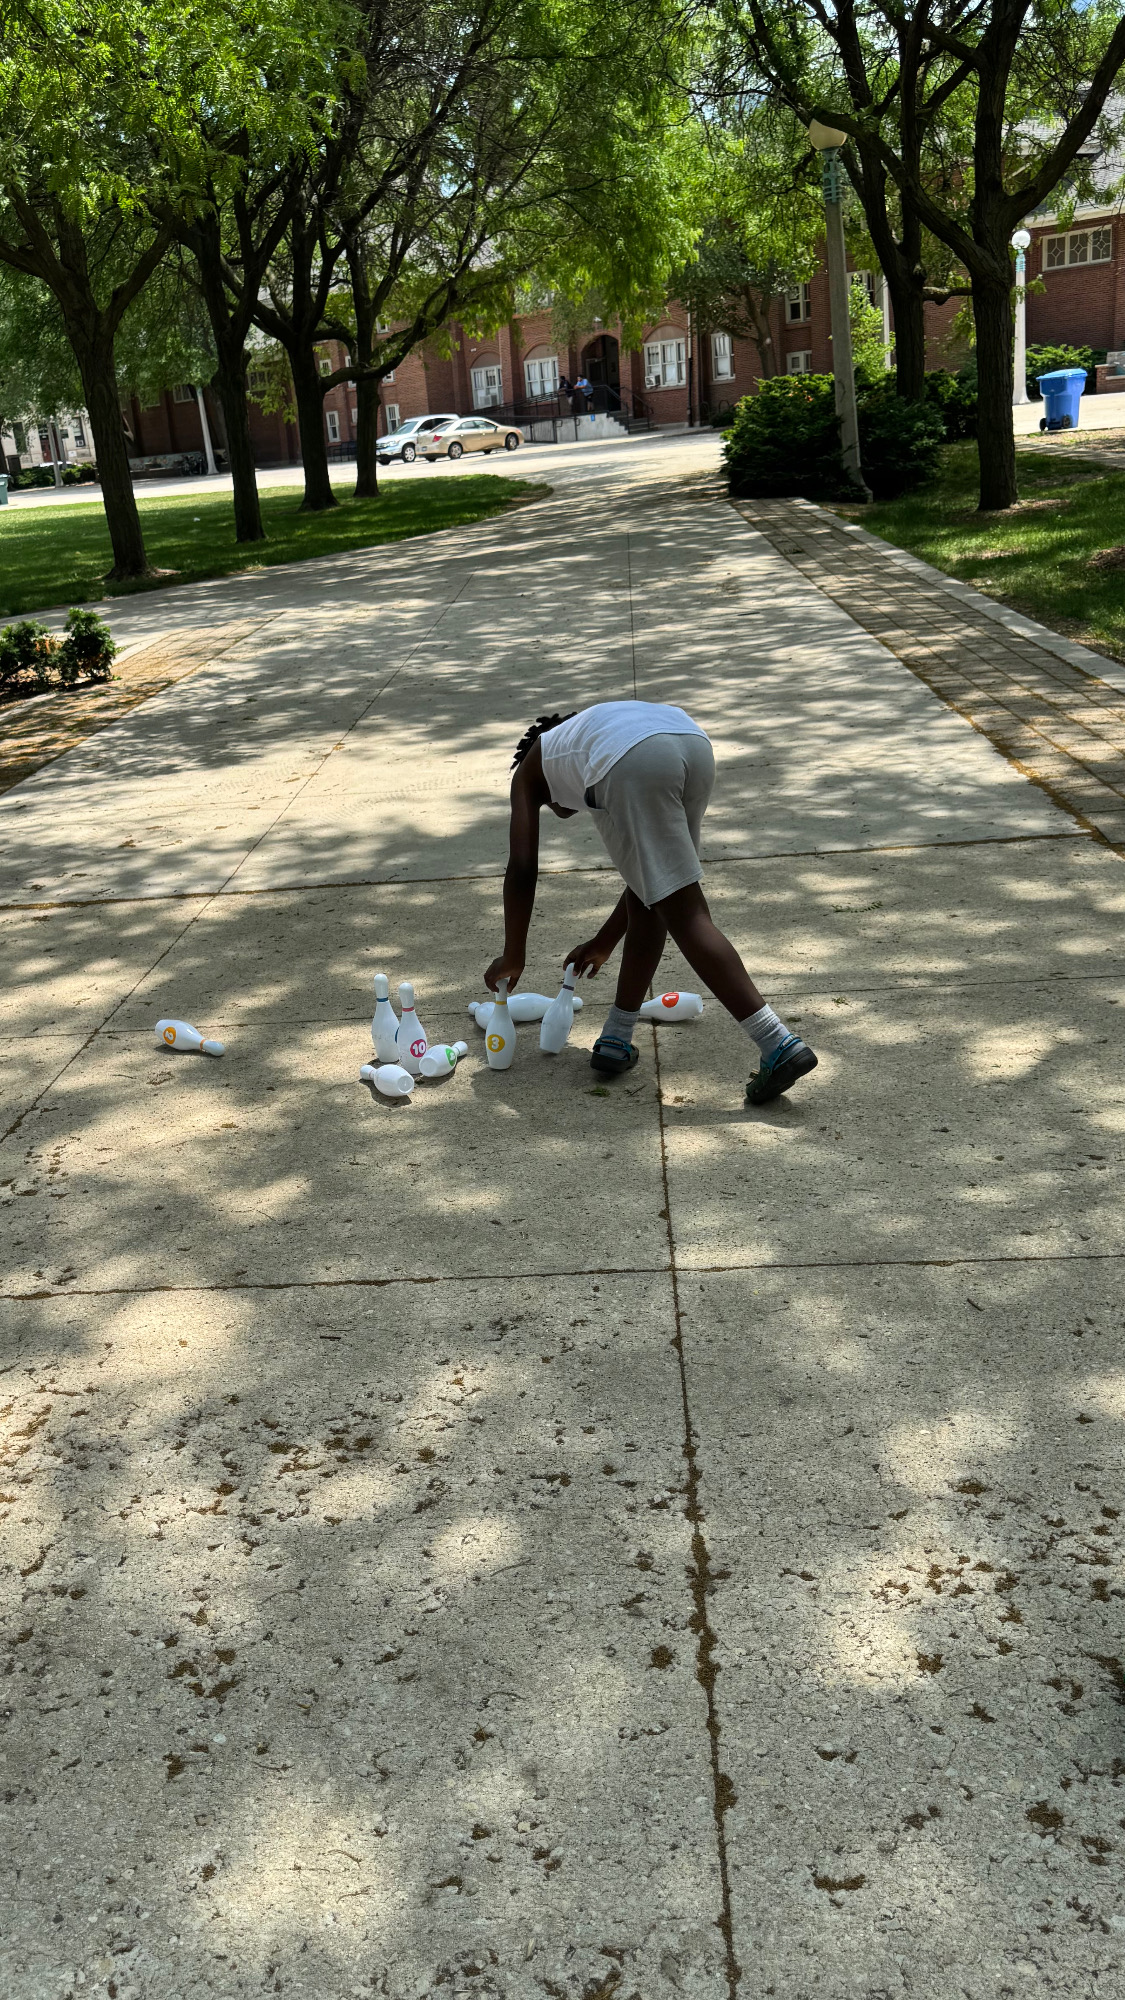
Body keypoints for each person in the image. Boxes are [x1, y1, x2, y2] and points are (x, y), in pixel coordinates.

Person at [483, 701, 818, 1105]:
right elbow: (647, 884)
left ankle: (778, 1043)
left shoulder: (538, 768)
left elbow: (522, 867)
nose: (561, 811)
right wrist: (605, 940)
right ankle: (616, 1037)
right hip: (692, 745)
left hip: (633, 759)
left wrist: (513, 955)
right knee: (661, 896)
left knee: (687, 915)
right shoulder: (592, 754)